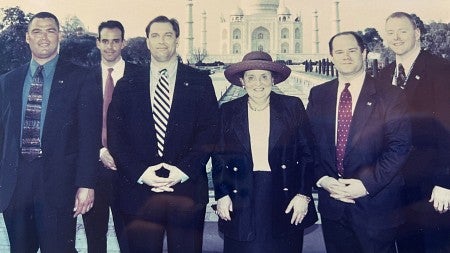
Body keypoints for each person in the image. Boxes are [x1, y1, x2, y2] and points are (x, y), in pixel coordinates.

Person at [107, 15, 219, 253]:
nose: (161, 41)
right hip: (139, 194)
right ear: (147, 41)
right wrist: (141, 173)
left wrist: (182, 171)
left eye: (168, 35)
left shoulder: (200, 81)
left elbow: (209, 132)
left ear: (177, 39)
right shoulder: (127, 83)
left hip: (186, 192)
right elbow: (116, 136)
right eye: (155, 36)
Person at [0, 12, 100, 252]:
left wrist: (86, 184)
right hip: (16, 187)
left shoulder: (82, 78)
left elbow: (89, 136)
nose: (43, 37)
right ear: (27, 38)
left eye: (50, 30)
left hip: (59, 186)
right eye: (36, 31)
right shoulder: (8, 80)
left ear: (60, 36)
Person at [306, 31, 411, 253]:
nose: (346, 57)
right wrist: (322, 178)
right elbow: (310, 143)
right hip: (333, 204)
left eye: (352, 50)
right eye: (340, 52)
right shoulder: (319, 94)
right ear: (331, 56)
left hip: (375, 206)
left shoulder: (390, 94)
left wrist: (365, 185)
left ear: (363, 53)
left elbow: (399, 147)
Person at [212, 51, 317, 253]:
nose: (257, 83)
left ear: (273, 79)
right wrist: (222, 194)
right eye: (250, 77)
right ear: (242, 81)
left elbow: (308, 154)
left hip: (284, 193)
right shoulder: (229, 110)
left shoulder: (291, 106)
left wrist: (303, 194)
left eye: (264, 76)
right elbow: (219, 156)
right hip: (241, 194)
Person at [378, 12, 450, 253]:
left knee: (433, 246)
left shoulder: (441, 70)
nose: (396, 37)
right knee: (407, 246)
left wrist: (445, 182)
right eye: (390, 32)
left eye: (402, 31)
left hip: (431, 185)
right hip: (397, 185)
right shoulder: (385, 74)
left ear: (417, 33)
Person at [82, 20, 136, 253]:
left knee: (131, 240)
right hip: (95, 171)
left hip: (129, 174)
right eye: (105, 41)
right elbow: (78, 125)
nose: (110, 47)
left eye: (116, 41)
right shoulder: (83, 79)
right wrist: (100, 150)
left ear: (123, 43)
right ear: (97, 43)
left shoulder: (140, 77)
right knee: (95, 239)